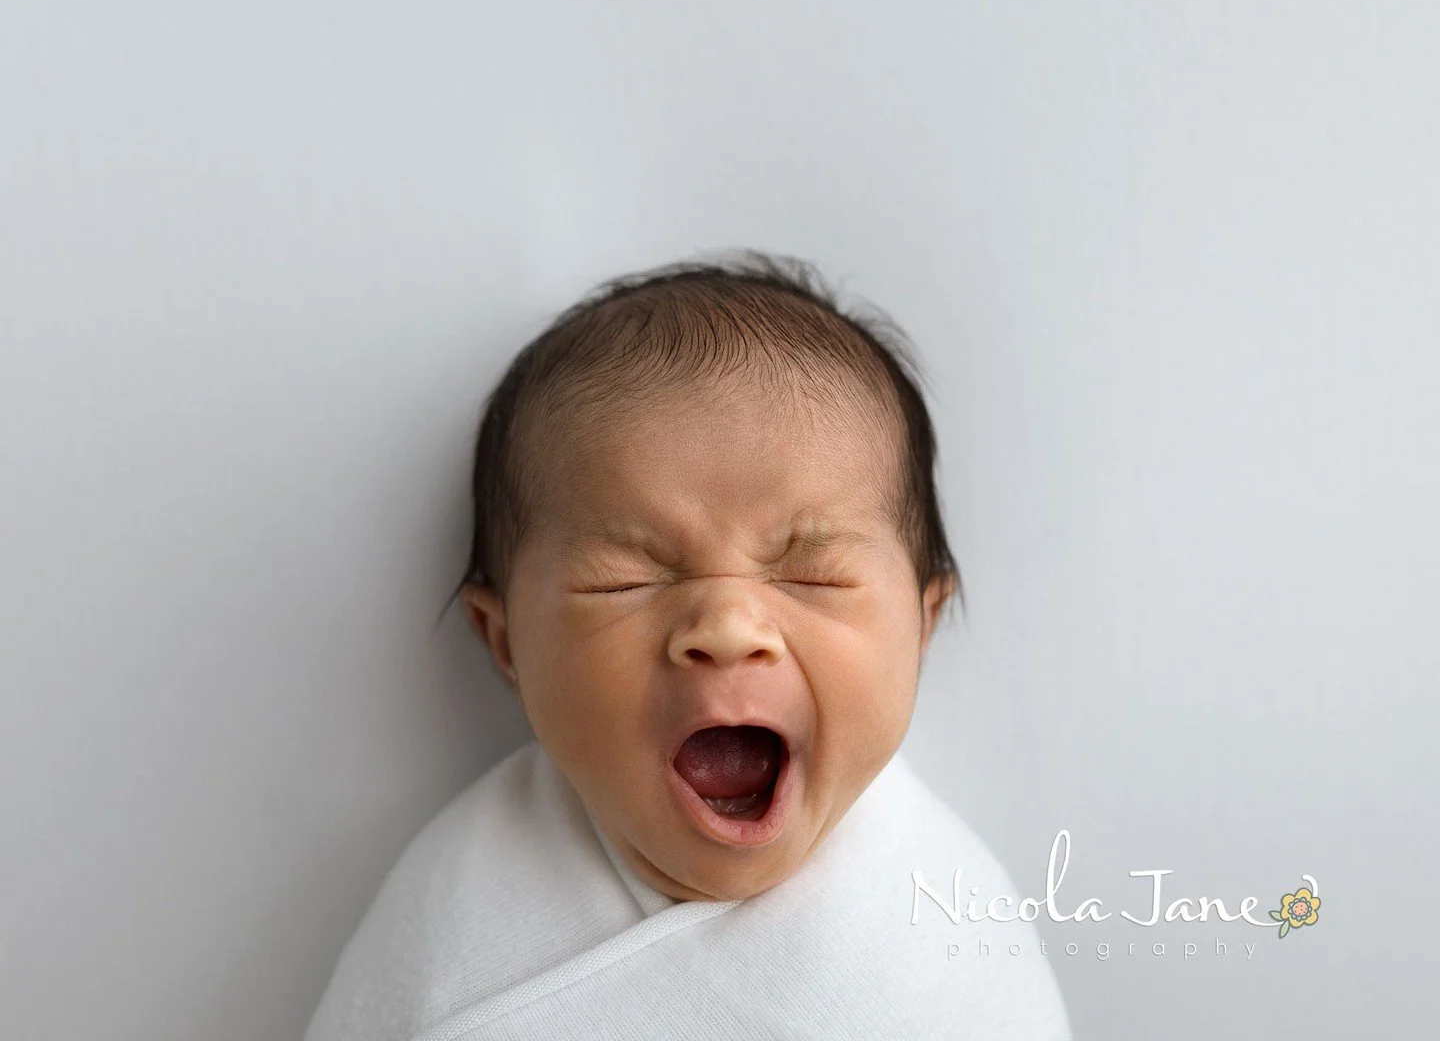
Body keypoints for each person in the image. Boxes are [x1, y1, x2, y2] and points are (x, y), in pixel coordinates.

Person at [303, 250, 1071, 1039]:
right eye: (621, 580)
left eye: (813, 576)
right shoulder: (452, 916)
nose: (728, 628)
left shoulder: (947, 940)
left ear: (921, 626)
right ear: (505, 645)